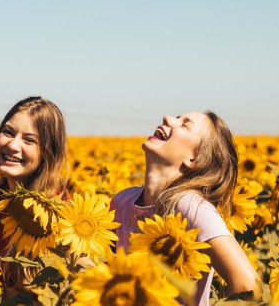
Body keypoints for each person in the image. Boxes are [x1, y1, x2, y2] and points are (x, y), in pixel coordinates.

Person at [110, 111, 261, 305]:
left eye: (184, 125)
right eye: (176, 117)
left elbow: (248, 286)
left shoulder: (191, 208)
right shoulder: (122, 201)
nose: (167, 118)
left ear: (193, 160)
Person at [0, 96, 69, 288]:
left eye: (29, 140)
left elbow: (70, 281)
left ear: (48, 152)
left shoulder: (63, 207)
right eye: (8, 132)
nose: (13, 145)